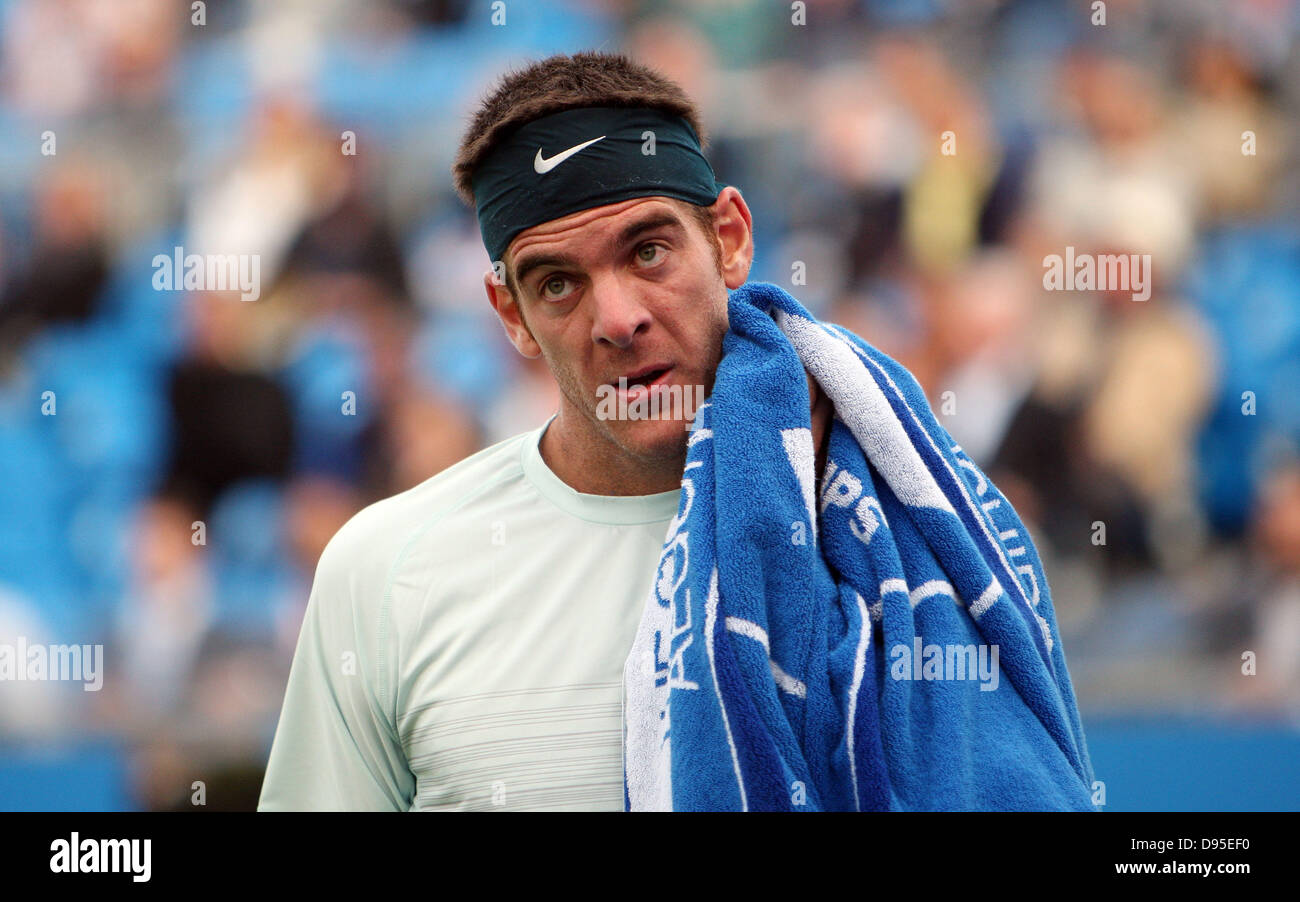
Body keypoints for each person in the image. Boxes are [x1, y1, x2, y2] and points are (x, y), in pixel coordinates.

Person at [258, 51, 831, 811]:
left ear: (728, 238)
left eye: (649, 251)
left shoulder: (888, 530)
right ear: (512, 317)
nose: (619, 319)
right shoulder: (382, 572)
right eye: (558, 283)